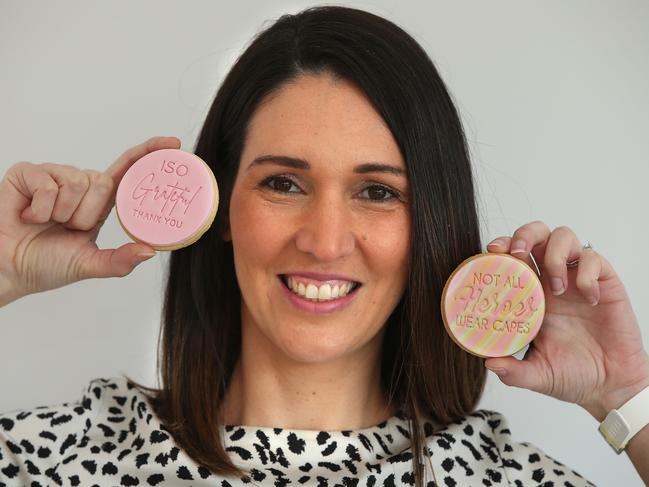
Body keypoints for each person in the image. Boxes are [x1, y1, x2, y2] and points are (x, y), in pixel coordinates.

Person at [0, 5, 647, 486]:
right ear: (220, 206)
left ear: (428, 222)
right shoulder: (50, 459)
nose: (324, 240)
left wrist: (625, 395)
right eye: (283, 182)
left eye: (376, 192)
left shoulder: (504, 479)